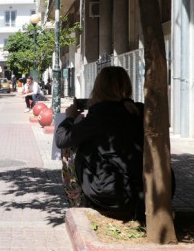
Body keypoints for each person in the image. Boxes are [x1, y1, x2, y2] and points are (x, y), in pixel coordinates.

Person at [54, 66, 145, 221]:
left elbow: (62, 139)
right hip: (147, 193)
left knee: (71, 147)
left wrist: (69, 118)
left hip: (112, 197)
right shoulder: (140, 110)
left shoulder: (100, 115)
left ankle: (76, 200)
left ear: (98, 89)